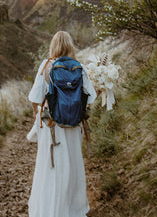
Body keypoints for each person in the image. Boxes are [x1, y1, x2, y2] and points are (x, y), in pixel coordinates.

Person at [28, 30, 97, 217]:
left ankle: (50, 211)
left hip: (52, 127)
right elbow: (91, 97)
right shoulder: (78, 67)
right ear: (70, 46)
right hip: (74, 127)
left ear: (53, 46)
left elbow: (34, 97)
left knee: (51, 169)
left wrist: (38, 113)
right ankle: (73, 210)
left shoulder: (46, 65)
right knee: (73, 167)